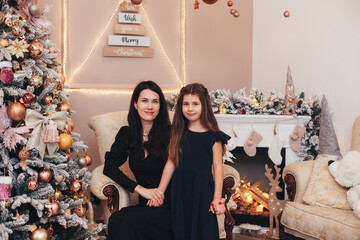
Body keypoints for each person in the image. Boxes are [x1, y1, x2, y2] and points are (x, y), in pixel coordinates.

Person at [149, 83, 230, 240]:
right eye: (186, 104)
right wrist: (159, 192)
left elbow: (218, 168)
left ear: (204, 105)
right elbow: (171, 163)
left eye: (195, 104)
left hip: (203, 190)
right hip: (180, 189)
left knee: (204, 230)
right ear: (181, 106)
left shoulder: (214, 136)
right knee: (182, 230)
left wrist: (217, 198)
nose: (190, 109)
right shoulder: (178, 132)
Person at [103, 81, 173, 240]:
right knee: (118, 220)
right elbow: (110, 167)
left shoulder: (171, 133)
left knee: (128, 222)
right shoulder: (126, 135)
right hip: (147, 205)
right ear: (135, 104)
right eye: (144, 101)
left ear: (160, 106)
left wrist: (159, 194)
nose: (150, 106)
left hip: (172, 205)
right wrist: (141, 189)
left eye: (155, 101)